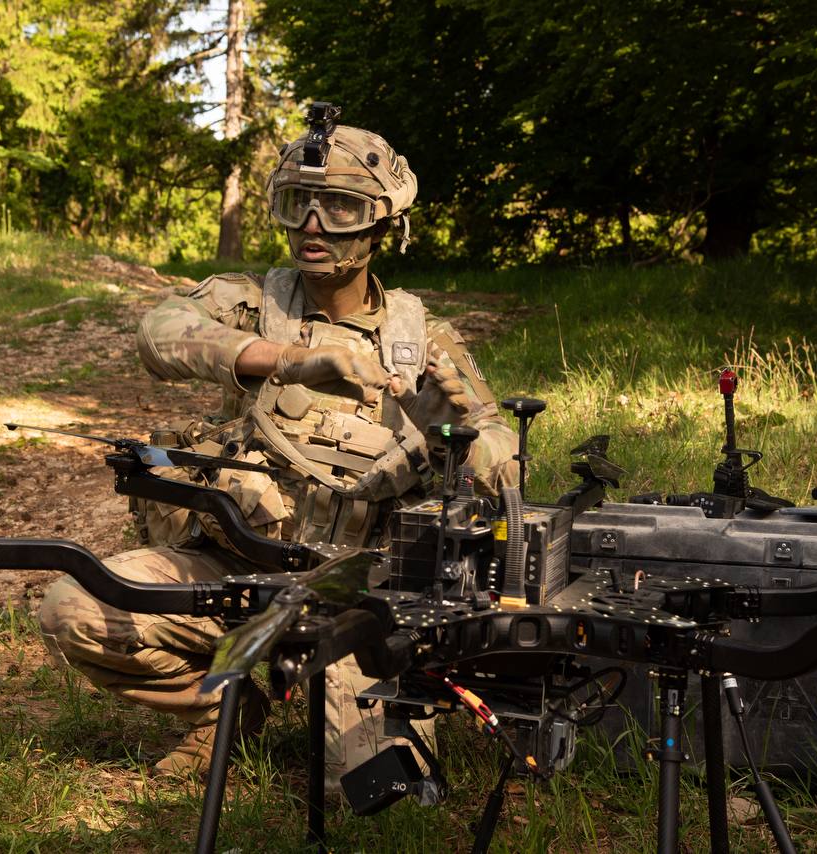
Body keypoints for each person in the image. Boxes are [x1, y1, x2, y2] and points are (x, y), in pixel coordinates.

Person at [38, 105, 518, 782]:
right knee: (78, 608)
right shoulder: (251, 302)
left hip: (359, 595)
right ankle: (223, 716)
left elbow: (507, 461)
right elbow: (159, 332)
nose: (313, 227)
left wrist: (452, 433)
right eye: (298, 204)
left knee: (382, 792)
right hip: (233, 569)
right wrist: (283, 359)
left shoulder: (421, 339)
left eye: (340, 208)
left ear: (384, 221)